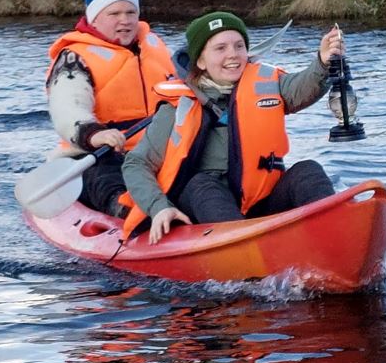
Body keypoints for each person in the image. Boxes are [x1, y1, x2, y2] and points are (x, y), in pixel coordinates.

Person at [122, 12, 344, 244]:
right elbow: (136, 163)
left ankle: (334, 236)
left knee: (307, 170)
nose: (233, 54)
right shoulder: (176, 107)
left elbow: (301, 87)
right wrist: (159, 207)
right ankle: (244, 252)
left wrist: (323, 62)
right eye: (220, 48)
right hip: (203, 209)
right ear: (200, 61)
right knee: (202, 185)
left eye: (239, 46)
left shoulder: (267, 84)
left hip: (259, 202)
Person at [46, 0, 177, 216]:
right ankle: (124, 210)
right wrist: (95, 134)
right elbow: (67, 108)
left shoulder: (154, 46)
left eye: (130, 12)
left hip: (157, 149)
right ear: (94, 18)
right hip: (99, 153)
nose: (124, 20)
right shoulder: (73, 59)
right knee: (105, 177)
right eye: (114, 14)